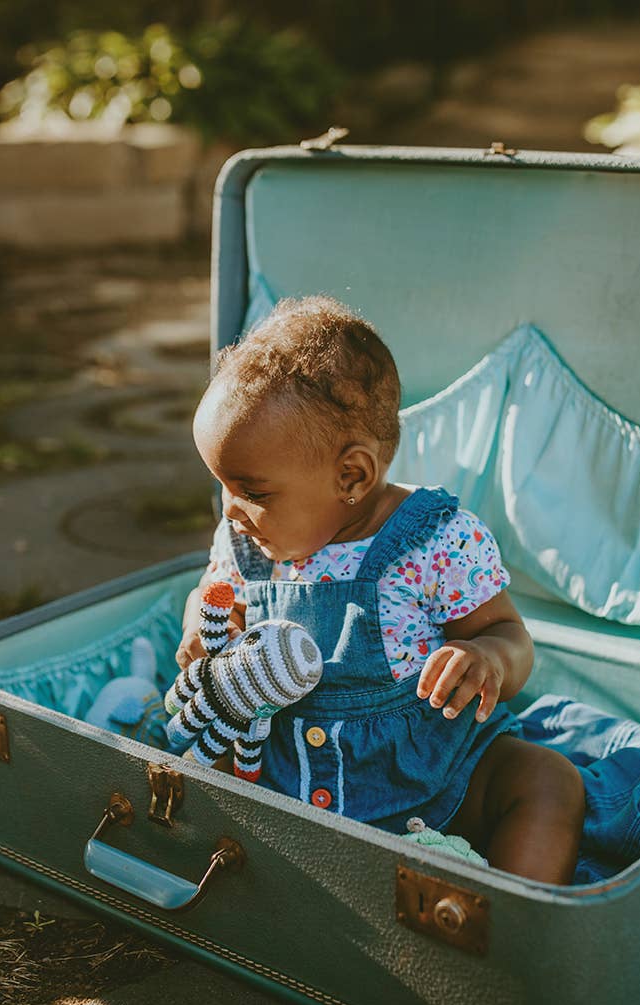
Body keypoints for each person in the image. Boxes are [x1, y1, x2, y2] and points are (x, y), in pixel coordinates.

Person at [178, 294, 587, 885]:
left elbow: (510, 636)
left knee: (548, 780)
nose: (231, 511)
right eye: (222, 486)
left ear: (352, 476)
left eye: (253, 492)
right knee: (194, 761)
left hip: (430, 773)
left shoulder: (433, 541)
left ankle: (510, 922)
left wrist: (486, 658)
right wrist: (201, 627)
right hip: (281, 776)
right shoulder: (246, 541)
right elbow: (213, 597)